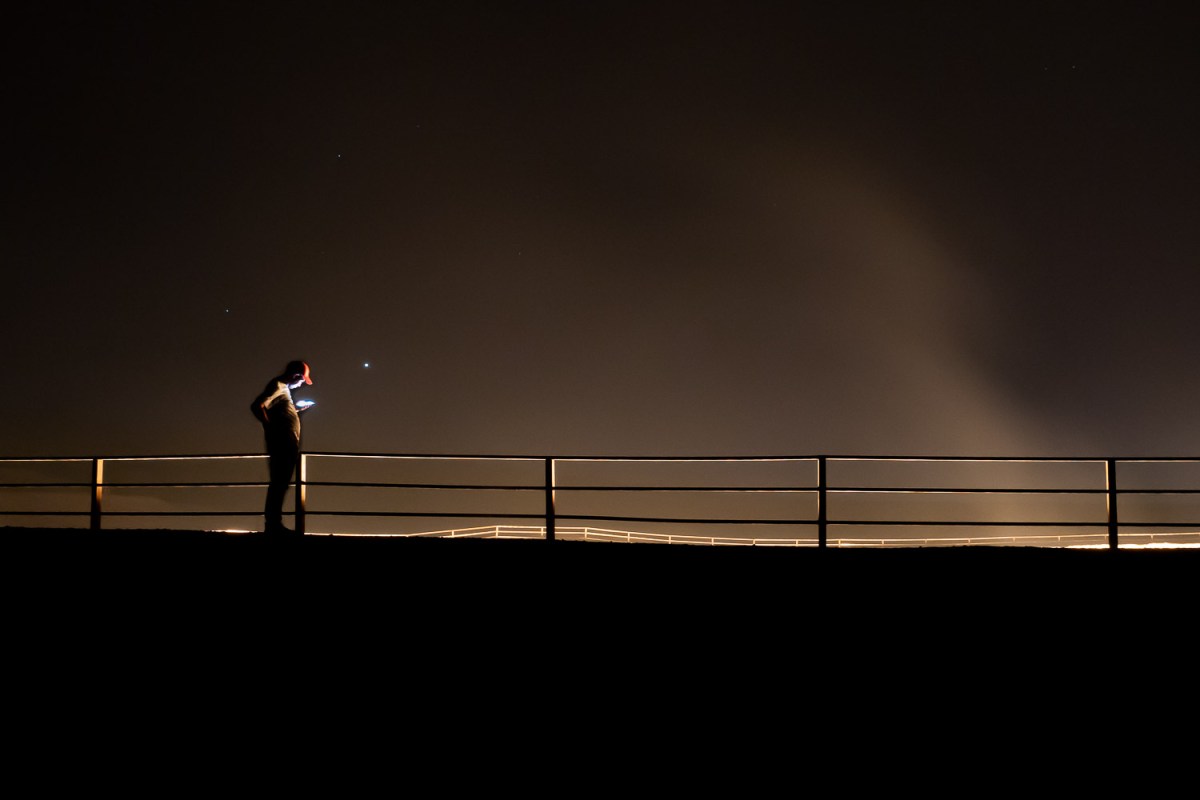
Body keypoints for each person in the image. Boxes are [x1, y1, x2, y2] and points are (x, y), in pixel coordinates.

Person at [251, 360, 314, 535]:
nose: (302, 384)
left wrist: (296, 410)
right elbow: (257, 406)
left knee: (281, 483)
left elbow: (276, 409)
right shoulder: (278, 385)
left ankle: (274, 523)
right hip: (282, 444)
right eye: (302, 381)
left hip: (286, 444)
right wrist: (269, 427)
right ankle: (273, 525)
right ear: (296, 376)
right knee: (279, 483)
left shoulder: (283, 390)